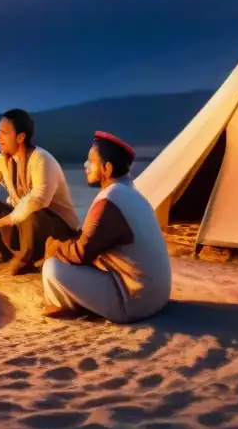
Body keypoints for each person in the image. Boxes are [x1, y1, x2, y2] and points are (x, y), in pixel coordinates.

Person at [41, 132, 171, 322]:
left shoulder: (110, 199)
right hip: (157, 296)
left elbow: (81, 253)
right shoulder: (132, 192)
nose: (85, 166)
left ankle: (67, 306)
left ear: (107, 169)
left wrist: (55, 247)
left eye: (90, 161)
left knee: (52, 267)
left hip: (135, 301)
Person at [0, 108, 80, 273]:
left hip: (55, 228)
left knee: (31, 212)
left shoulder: (41, 159)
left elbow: (37, 199)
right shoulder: (2, 160)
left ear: (20, 137)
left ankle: (26, 260)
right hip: (22, 223)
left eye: (3, 133)